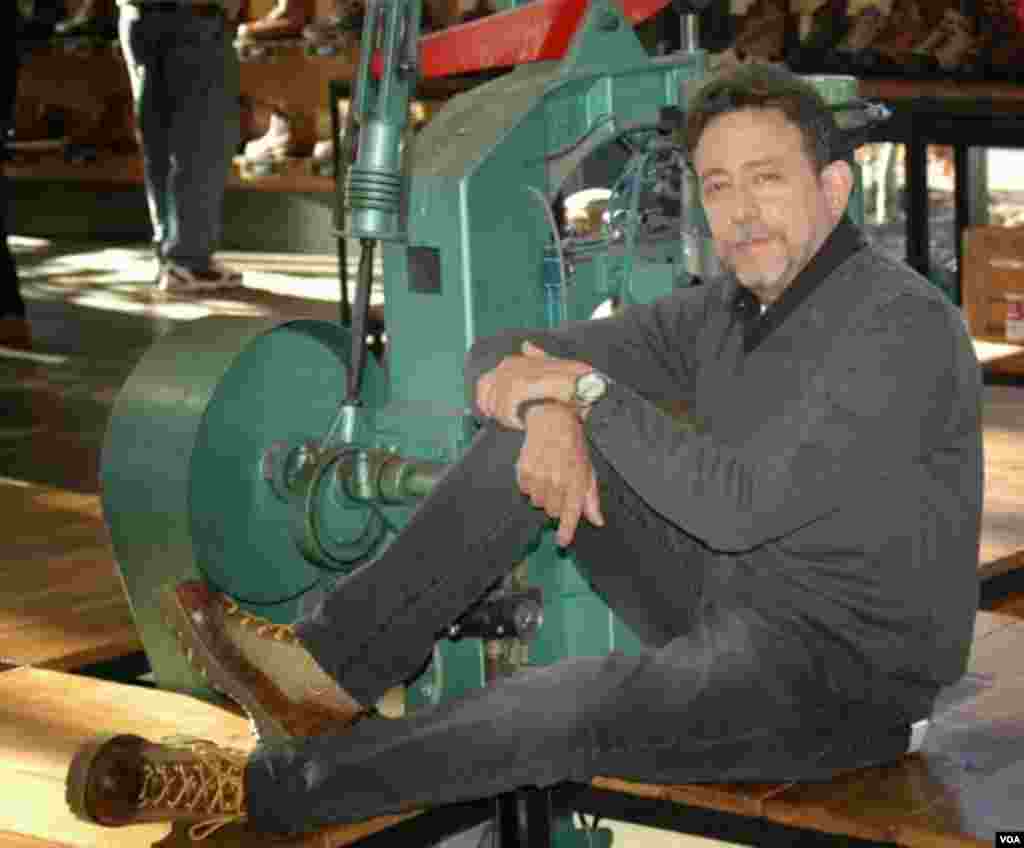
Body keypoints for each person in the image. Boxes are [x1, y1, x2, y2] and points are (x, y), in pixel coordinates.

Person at [66, 63, 984, 837]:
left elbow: (736, 506)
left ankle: (263, 796)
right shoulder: (726, 309)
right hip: (725, 602)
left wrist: (580, 393)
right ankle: (332, 668)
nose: (739, 212)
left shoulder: (900, 327)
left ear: (834, 187)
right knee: (526, 437)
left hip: (837, 686)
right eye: (717, 185)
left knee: (569, 704)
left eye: (767, 179)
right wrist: (551, 413)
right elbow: (500, 349)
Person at [117, 0, 243, 293]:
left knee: (159, 140)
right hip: (194, 16)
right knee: (203, 141)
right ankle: (189, 259)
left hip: (138, 14)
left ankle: (173, 256)